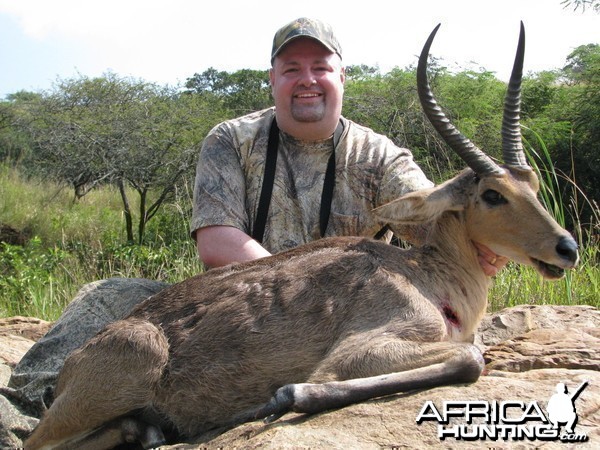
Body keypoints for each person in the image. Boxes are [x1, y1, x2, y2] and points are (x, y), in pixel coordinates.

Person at [0, 17, 506, 447]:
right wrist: (287, 299)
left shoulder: (378, 156)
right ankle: (28, 406)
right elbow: (218, 243)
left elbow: (444, 227)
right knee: (108, 295)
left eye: (320, 68)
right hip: (242, 304)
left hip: (346, 321)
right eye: (292, 70)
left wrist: (492, 239)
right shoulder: (233, 139)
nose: (306, 80)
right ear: (273, 79)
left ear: (342, 77)